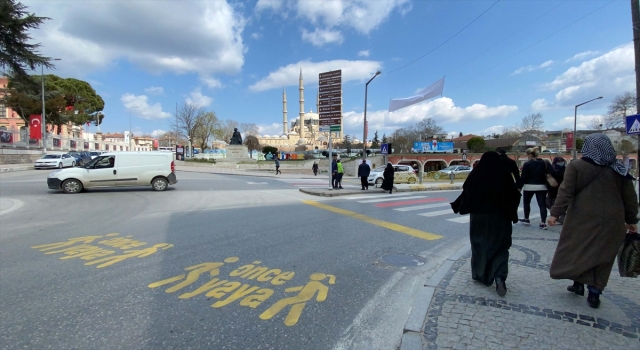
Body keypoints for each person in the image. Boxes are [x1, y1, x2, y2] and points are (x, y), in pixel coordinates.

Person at [548, 134, 638, 309]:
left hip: (582, 218)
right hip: (613, 220)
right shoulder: (618, 168)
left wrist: (555, 213)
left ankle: (578, 283)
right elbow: (630, 197)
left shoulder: (577, 166)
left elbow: (566, 192)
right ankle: (595, 292)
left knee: (579, 249)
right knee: (603, 255)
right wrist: (631, 219)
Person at [452, 152, 520, 296]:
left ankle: (480, 274)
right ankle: (500, 277)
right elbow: (514, 195)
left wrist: (460, 206)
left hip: (479, 218)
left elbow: (467, 192)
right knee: (501, 247)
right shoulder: (504, 175)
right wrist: (511, 214)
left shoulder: (477, 174)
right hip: (501, 218)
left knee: (480, 245)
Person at [519, 147, 548, 229]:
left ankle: (526, 218)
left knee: (526, 203)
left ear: (529, 154)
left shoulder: (527, 164)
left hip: (529, 186)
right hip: (542, 186)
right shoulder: (544, 162)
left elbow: (523, 177)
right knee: (542, 205)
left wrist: (520, 187)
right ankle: (543, 222)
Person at [546, 156, 566, 224]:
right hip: (553, 189)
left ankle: (562, 217)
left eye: (561, 161)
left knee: (562, 203)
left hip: (563, 188)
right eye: (559, 162)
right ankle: (555, 216)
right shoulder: (552, 169)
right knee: (553, 203)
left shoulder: (566, 169)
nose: (560, 163)